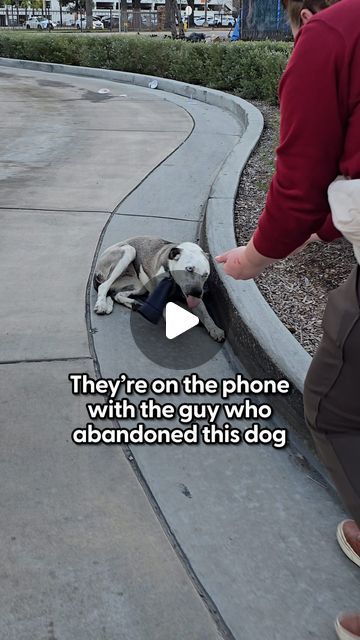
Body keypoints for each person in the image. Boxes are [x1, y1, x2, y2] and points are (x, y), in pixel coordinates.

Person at [215, 0, 360, 636]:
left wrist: (254, 256)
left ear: (300, 13)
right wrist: (319, 231)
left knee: (329, 404)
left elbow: (298, 175)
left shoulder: (331, 31)